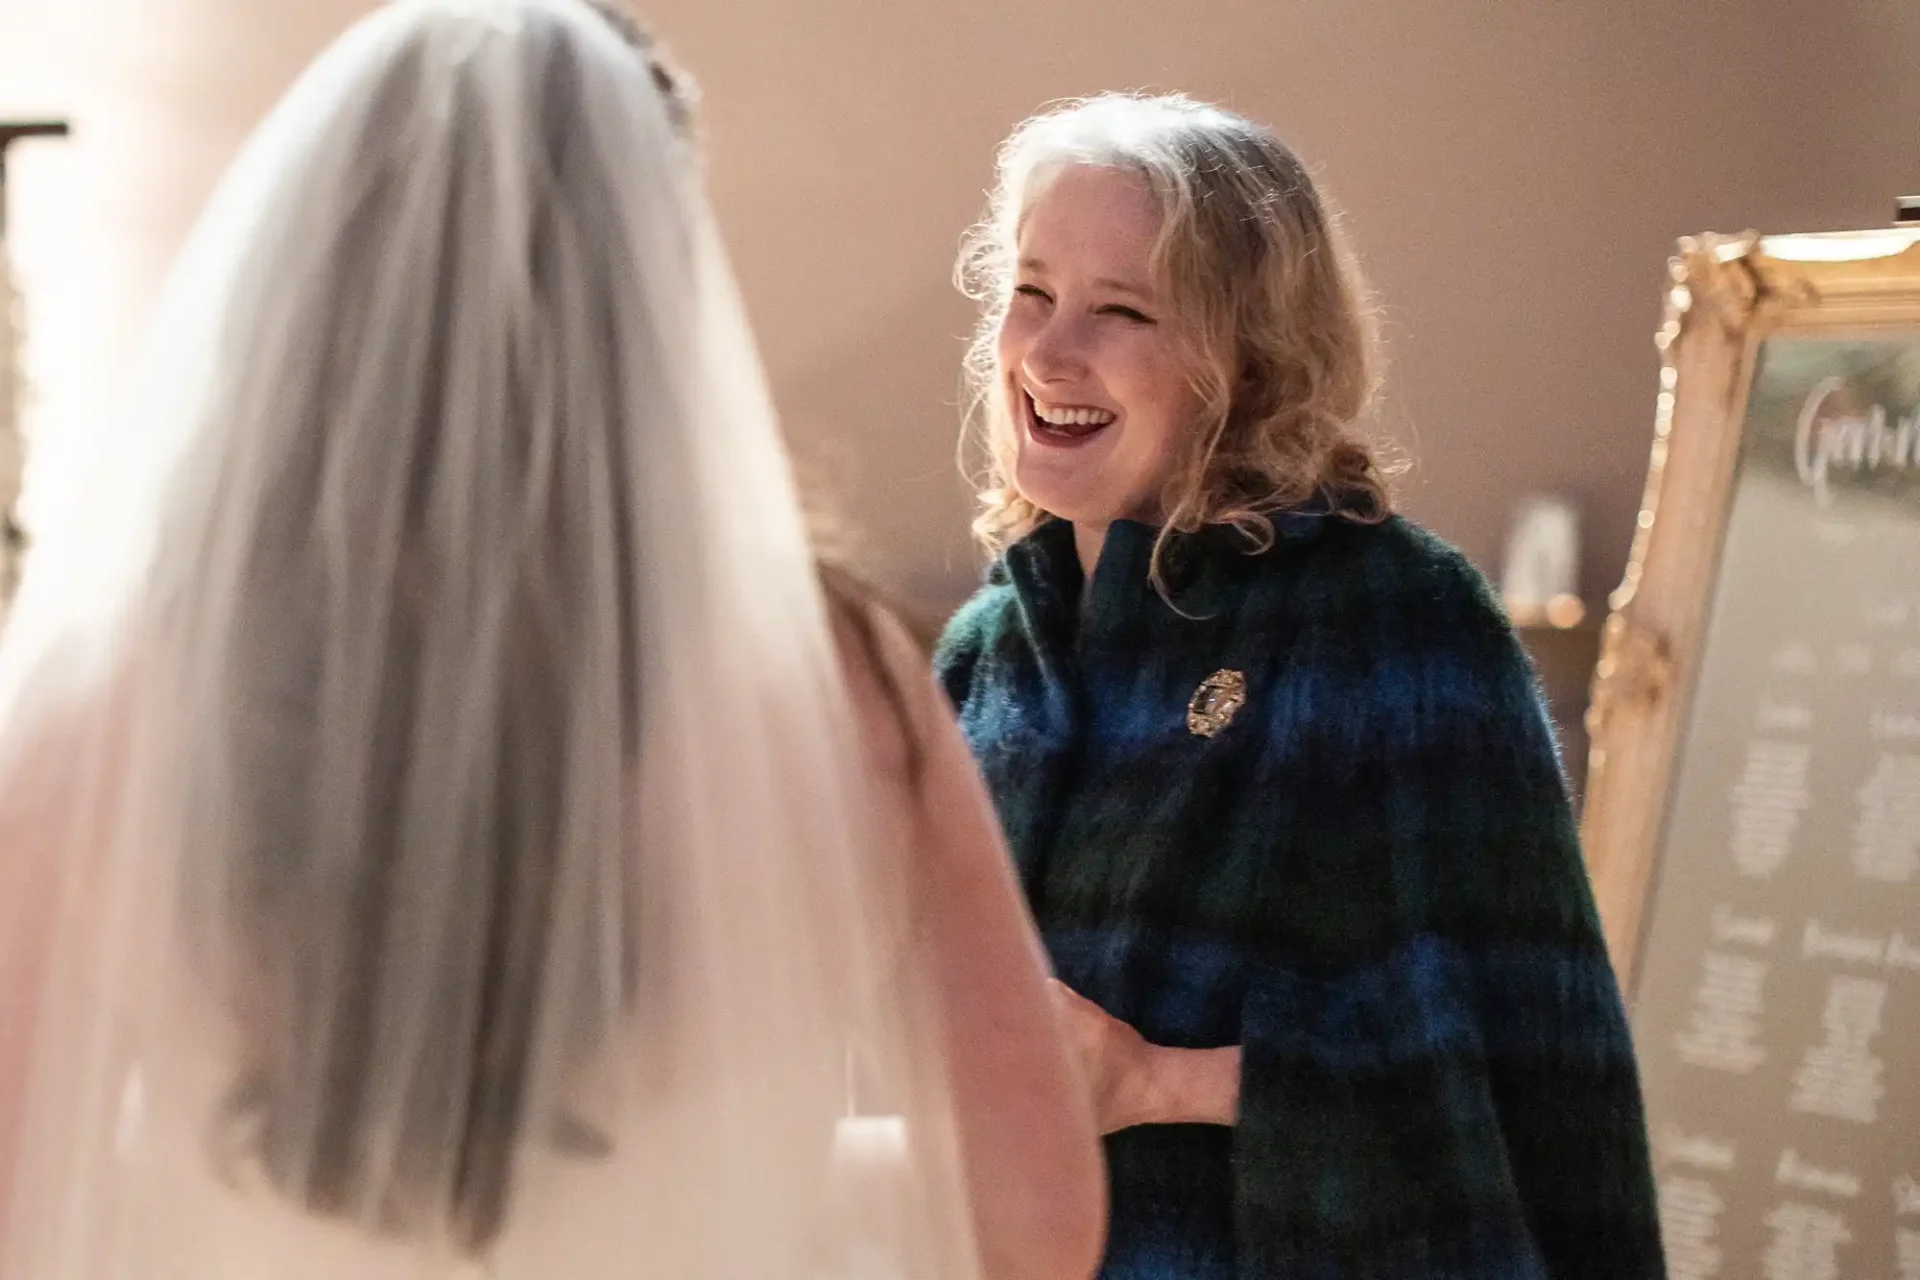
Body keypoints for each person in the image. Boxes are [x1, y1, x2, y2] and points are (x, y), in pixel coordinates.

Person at [0, 3, 1103, 1277]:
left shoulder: (125, 687)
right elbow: (1036, 1222)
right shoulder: (833, 683)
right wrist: (787, 1185)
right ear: (653, 282)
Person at [936, 93, 1667, 1280]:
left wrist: (1160, 1078)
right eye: (1030, 292)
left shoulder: (1393, 625)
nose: (1050, 353)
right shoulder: (984, 652)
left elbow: (1527, 1069)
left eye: (1122, 310)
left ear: (1254, 363)